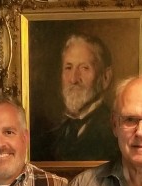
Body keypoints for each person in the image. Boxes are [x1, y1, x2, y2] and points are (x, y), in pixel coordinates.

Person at [33, 33, 118, 162]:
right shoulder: (52, 137)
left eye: (84, 68)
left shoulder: (114, 134)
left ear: (105, 77)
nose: (73, 79)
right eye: (68, 68)